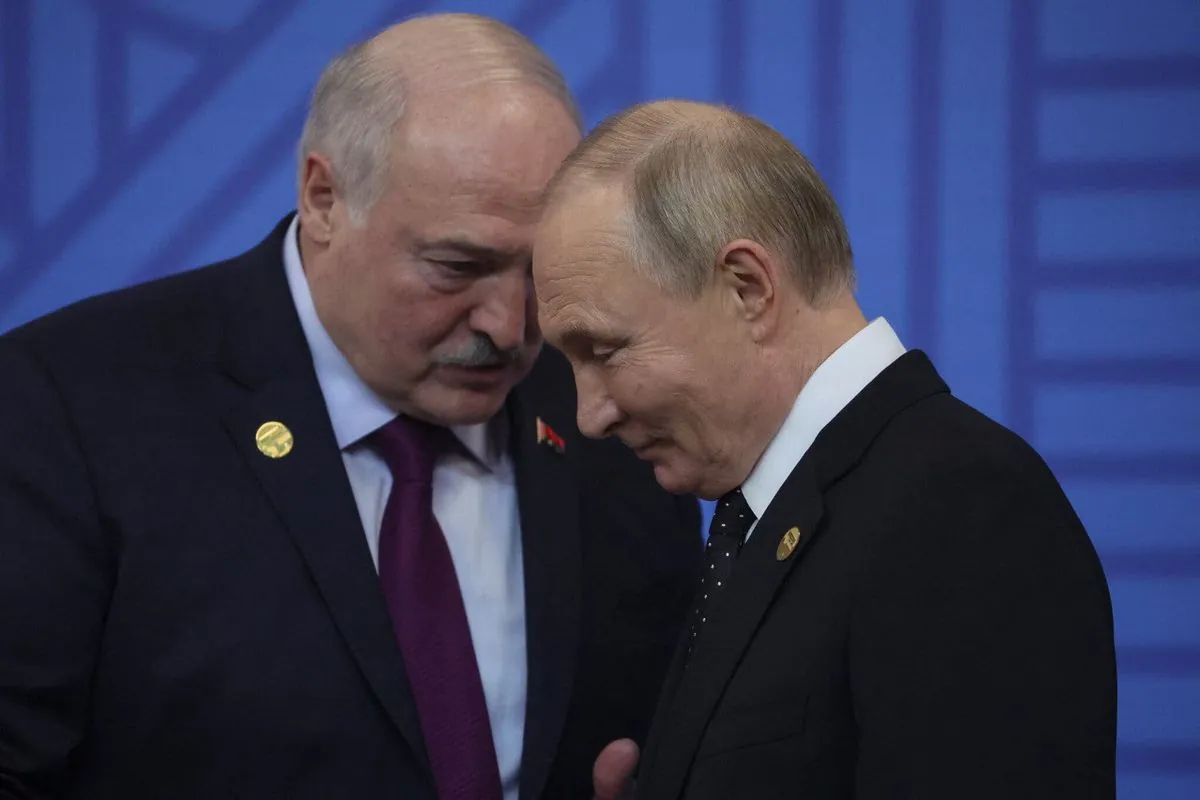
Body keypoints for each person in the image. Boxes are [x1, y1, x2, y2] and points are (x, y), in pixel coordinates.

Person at [0, 17, 702, 799]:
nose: (510, 326)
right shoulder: (69, 406)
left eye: (540, 270)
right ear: (323, 198)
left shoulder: (612, 414)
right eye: (456, 265)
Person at [533, 100, 1117, 800]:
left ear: (748, 287)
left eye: (605, 351)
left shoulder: (961, 505)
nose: (588, 416)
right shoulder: (768, 519)